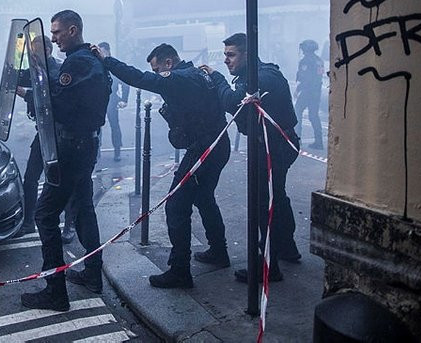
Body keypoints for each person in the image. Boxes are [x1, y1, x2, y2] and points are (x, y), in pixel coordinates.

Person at [94, 43, 231, 288]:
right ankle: (219, 251)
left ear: (168, 63)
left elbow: (139, 78)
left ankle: (180, 271)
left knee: (176, 205)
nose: (157, 74)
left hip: (204, 149)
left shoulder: (178, 78)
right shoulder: (197, 74)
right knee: (203, 198)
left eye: (158, 69)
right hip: (217, 145)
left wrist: (107, 61)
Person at [21, 10, 110, 311]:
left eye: (58, 32)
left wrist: (29, 95)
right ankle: (93, 275)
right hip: (84, 146)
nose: (54, 37)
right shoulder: (91, 58)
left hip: (72, 148)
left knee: (45, 215)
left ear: (73, 30)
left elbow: (58, 103)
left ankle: (55, 292)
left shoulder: (77, 62)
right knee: (84, 209)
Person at [200, 33, 301, 284]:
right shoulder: (258, 74)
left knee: (263, 203)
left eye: (231, 55)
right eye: (224, 55)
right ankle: (286, 247)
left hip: (274, 146)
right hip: (274, 144)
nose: (226, 60)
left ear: (247, 54)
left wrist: (217, 78)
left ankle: (268, 266)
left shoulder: (261, 77)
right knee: (276, 195)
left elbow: (233, 102)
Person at [16, 35, 75, 244]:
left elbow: (50, 98)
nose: (34, 55)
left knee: (63, 179)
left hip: (58, 134)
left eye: (37, 51)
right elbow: (16, 78)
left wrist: (25, 94)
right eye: (32, 52)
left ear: (48, 50)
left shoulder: (57, 70)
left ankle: (70, 224)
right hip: (42, 132)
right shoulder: (35, 70)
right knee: (30, 178)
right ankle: (27, 222)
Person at [97, 42, 130, 161]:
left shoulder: (112, 64)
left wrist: (124, 99)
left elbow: (125, 83)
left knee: (114, 125)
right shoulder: (97, 64)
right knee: (97, 126)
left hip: (111, 99)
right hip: (100, 99)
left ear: (108, 51)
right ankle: (97, 151)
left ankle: (117, 151)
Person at [294, 39, 324, 150]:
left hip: (307, 91)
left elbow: (306, 78)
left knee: (297, 111)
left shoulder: (306, 61)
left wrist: (298, 89)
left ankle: (296, 139)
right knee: (314, 116)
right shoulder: (318, 60)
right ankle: (319, 141)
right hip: (316, 92)